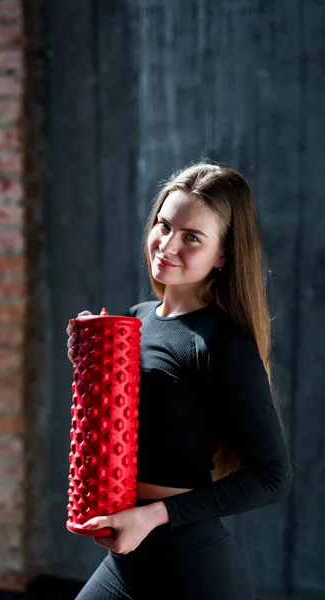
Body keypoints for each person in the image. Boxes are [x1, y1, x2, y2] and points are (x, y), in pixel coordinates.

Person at [65, 162, 292, 599]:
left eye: (192, 237)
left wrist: (149, 517)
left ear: (223, 255)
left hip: (191, 569)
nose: (167, 245)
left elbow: (272, 475)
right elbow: (124, 429)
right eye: (163, 226)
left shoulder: (222, 345)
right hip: (127, 559)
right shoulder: (135, 319)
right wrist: (89, 363)